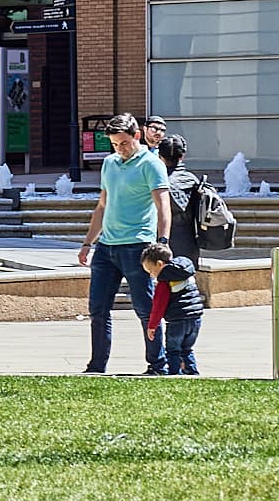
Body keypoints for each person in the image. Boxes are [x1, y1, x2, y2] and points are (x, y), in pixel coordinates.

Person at [77, 113, 171, 375]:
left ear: (137, 136)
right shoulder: (109, 163)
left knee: (146, 309)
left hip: (138, 247)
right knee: (98, 309)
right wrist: (87, 243)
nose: (120, 149)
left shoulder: (151, 164)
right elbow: (102, 206)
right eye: (115, 144)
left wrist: (162, 242)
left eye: (124, 143)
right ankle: (96, 366)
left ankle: (157, 364)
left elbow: (163, 206)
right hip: (106, 248)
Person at [140, 241, 206, 376]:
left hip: (177, 321)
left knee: (173, 350)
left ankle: (174, 375)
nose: (152, 275)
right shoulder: (186, 272)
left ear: (159, 264)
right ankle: (192, 372)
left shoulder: (164, 281)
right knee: (187, 349)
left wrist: (152, 325)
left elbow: (159, 306)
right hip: (195, 318)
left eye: (151, 271)